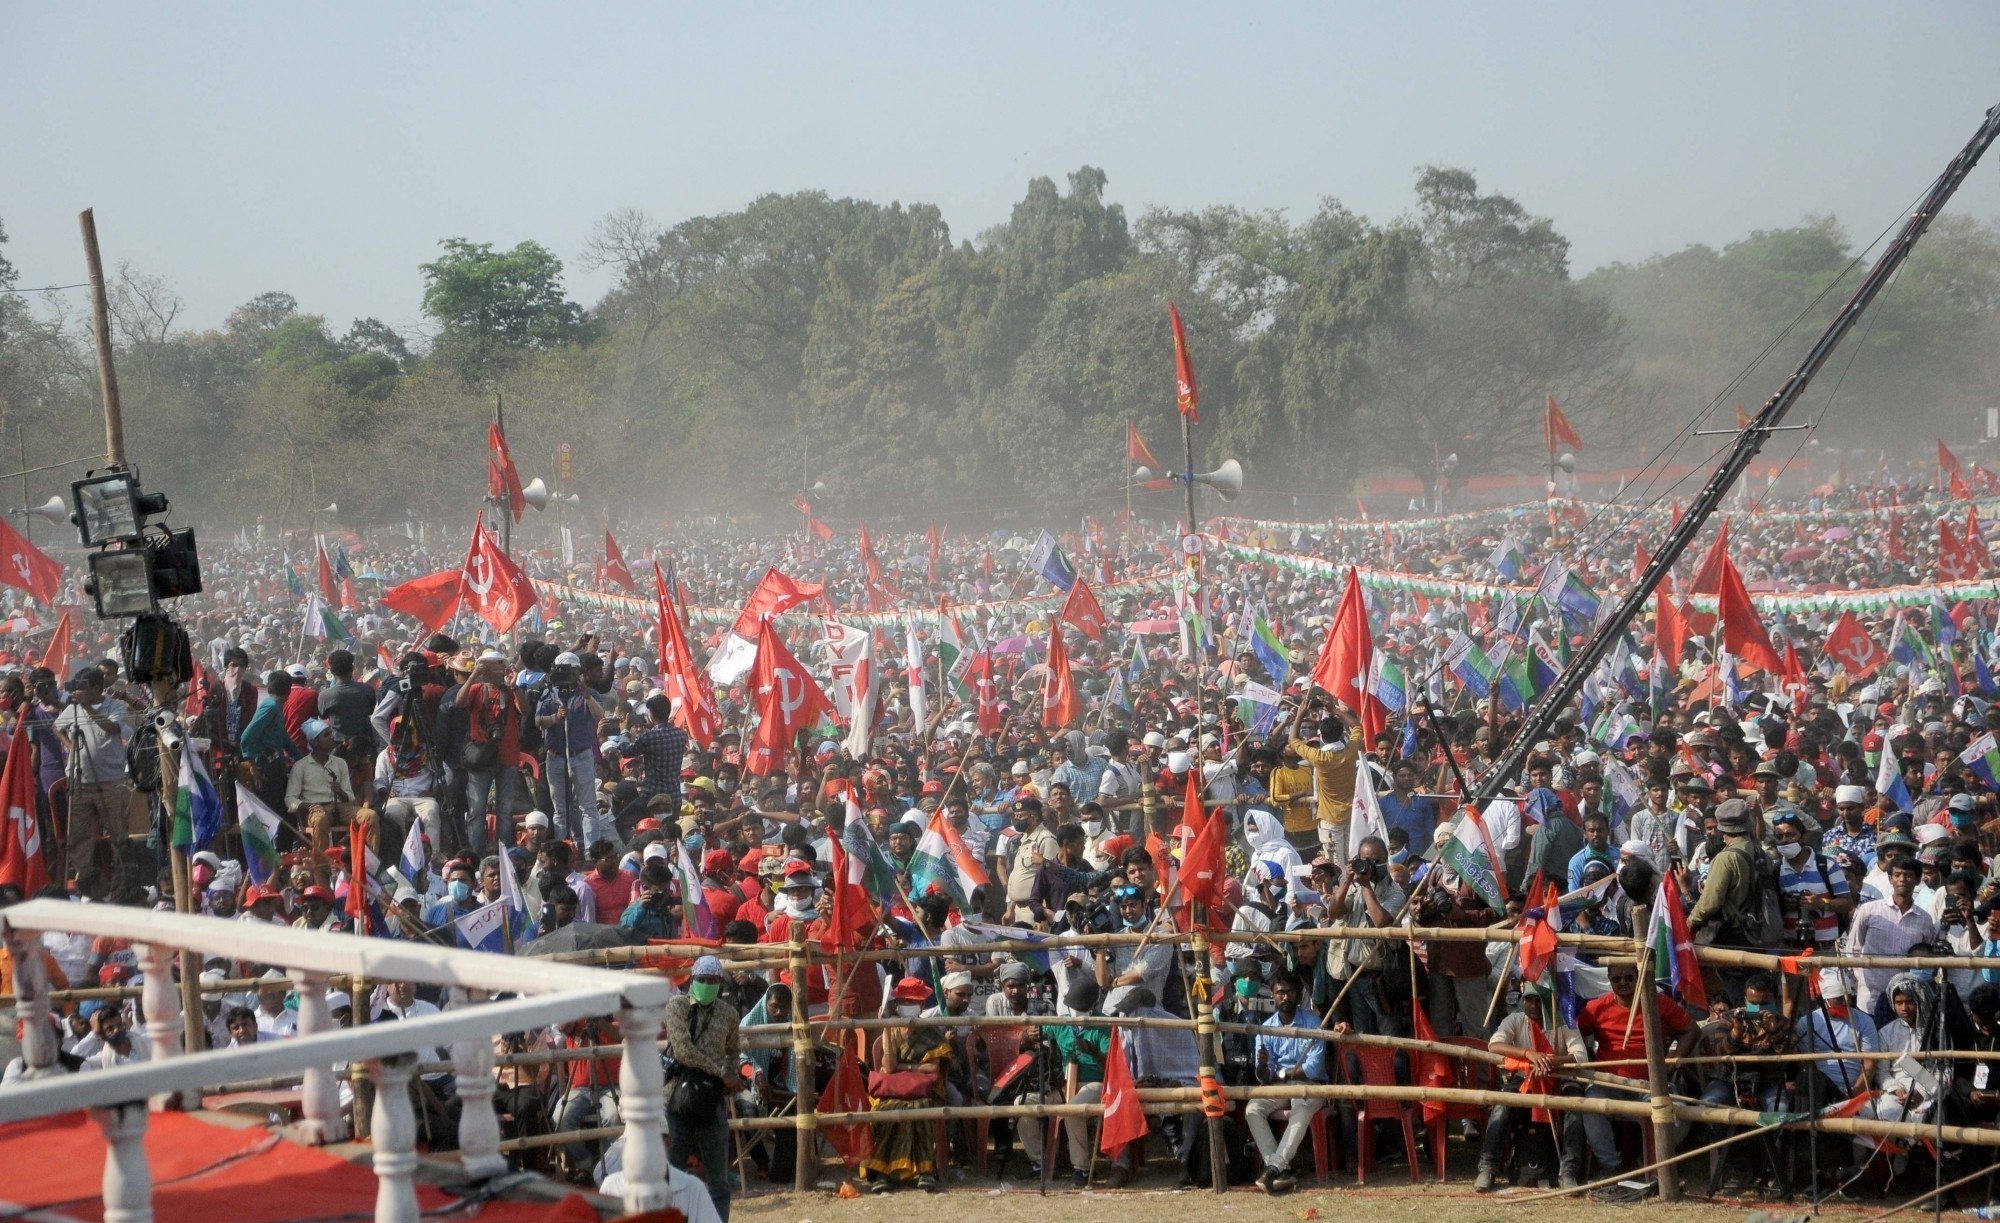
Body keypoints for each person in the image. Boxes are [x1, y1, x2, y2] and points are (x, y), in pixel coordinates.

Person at [663, 955, 740, 1221]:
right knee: (672, 1173)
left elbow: (733, 1051)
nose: (707, 984)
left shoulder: (729, 1014)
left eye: (712, 980)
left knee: (719, 1179)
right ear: (692, 979)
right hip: (677, 1096)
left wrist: (731, 1075)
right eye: (702, 980)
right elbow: (683, 1051)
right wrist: (722, 1074)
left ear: (720, 983)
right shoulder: (677, 1006)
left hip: (712, 1098)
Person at [860, 977, 953, 1193]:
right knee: (883, 1110)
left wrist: (907, 1068)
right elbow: (889, 1067)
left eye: (912, 1003)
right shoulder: (892, 1028)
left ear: (921, 1005)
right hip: (894, 1091)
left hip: (923, 1090)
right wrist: (885, 1026)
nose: (908, 1006)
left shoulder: (931, 1032)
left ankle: (925, 1171)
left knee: (920, 1109)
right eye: (903, 1002)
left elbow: (932, 1069)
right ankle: (881, 1172)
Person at [1244, 971, 1327, 1194]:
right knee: (1253, 1108)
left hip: (1312, 1086)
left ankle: (1274, 1168)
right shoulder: (1266, 1027)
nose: (1285, 997)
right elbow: (1265, 1076)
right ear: (1273, 995)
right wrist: (1262, 1066)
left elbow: (1313, 1069)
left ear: (1299, 994)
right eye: (1280, 992)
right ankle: (1281, 1169)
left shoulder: (1313, 1023)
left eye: (1290, 992)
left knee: (1302, 1105)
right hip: (1280, 1086)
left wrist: (1281, 1074)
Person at [52, 667, 132, 880]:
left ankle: (120, 878)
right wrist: (70, 745)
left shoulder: (114, 705)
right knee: (79, 836)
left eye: (85, 687)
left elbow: (113, 728)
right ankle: (84, 878)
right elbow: (56, 726)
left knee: (118, 833)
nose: (79, 690)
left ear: (97, 687)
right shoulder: (73, 709)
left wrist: (88, 708)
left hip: (111, 782)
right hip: (80, 782)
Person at [537, 651, 604, 845]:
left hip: (581, 756)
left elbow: (600, 716)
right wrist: (555, 718)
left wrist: (587, 696)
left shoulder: (588, 693)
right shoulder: (548, 693)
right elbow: (538, 721)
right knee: (561, 809)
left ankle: (591, 850)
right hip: (556, 757)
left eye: (571, 671)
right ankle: (563, 849)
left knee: (588, 807)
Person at [286, 719, 357, 857]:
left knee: (370, 817)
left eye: (331, 733)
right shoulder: (301, 766)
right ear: (314, 742)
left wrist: (341, 792)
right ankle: (322, 868)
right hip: (316, 810)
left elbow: (350, 796)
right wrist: (308, 807)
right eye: (326, 735)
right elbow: (290, 799)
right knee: (321, 820)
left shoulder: (340, 763)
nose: (332, 737)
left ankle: (370, 867)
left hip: (340, 808)